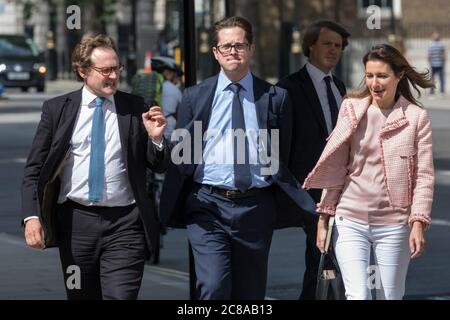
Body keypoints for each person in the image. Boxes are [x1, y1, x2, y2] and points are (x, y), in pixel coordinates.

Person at [160, 16, 315, 300]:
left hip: (255, 207)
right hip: (207, 204)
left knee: (250, 293)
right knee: (213, 287)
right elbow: (183, 155)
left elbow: (283, 154)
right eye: (227, 46)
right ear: (216, 52)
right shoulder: (195, 97)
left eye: (240, 45)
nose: (233, 51)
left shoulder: (275, 98)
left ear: (251, 49)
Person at [21, 34, 169, 300]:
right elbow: (34, 169)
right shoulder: (57, 109)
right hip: (76, 224)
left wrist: (156, 139)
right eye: (105, 70)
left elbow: (158, 165)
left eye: (117, 68)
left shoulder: (136, 108)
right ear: (83, 71)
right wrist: (32, 217)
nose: (113, 76)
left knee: (121, 297)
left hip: (126, 224)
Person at [304, 43, 435, 300]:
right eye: (370, 75)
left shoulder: (416, 117)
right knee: (358, 295)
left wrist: (418, 222)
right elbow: (336, 165)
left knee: (390, 296)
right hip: (350, 219)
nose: (375, 83)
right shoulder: (352, 108)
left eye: (382, 75)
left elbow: (424, 176)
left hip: (394, 224)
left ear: (399, 76)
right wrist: (323, 219)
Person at [277, 20, 350, 299]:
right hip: (309, 191)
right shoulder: (288, 88)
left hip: (340, 187)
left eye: (338, 46)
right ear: (311, 46)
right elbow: (281, 143)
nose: (334, 50)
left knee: (323, 259)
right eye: (327, 44)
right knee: (326, 254)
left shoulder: (338, 85)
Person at [151, 56, 183, 140]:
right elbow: (183, 112)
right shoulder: (174, 89)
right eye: (176, 75)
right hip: (167, 133)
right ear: (166, 72)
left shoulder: (150, 87)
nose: (177, 79)